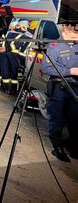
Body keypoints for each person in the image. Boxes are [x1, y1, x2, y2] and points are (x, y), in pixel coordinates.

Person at [42, 25, 78, 162]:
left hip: (75, 87)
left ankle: (74, 147)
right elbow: (47, 67)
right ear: (65, 31)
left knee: (75, 119)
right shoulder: (54, 46)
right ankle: (58, 147)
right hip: (59, 87)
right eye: (74, 37)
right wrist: (70, 71)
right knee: (57, 118)